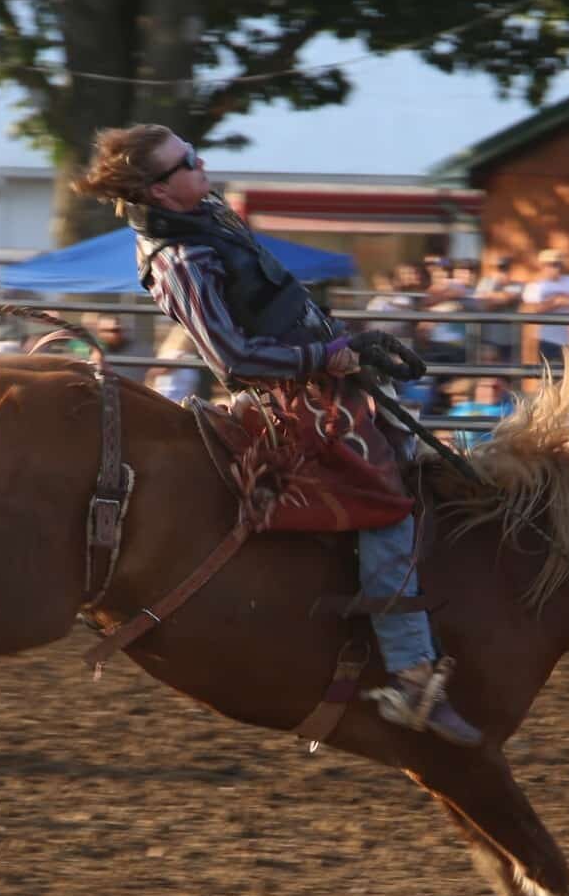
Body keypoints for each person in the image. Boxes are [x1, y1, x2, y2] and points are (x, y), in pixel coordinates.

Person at [74, 123, 480, 745]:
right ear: (158, 191)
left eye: (192, 153)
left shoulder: (207, 215)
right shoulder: (178, 259)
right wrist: (328, 357)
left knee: (424, 469)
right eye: (186, 161)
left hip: (321, 376)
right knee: (384, 505)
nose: (200, 163)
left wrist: (350, 344)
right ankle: (409, 676)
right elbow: (232, 357)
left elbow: (280, 308)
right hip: (290, 396)